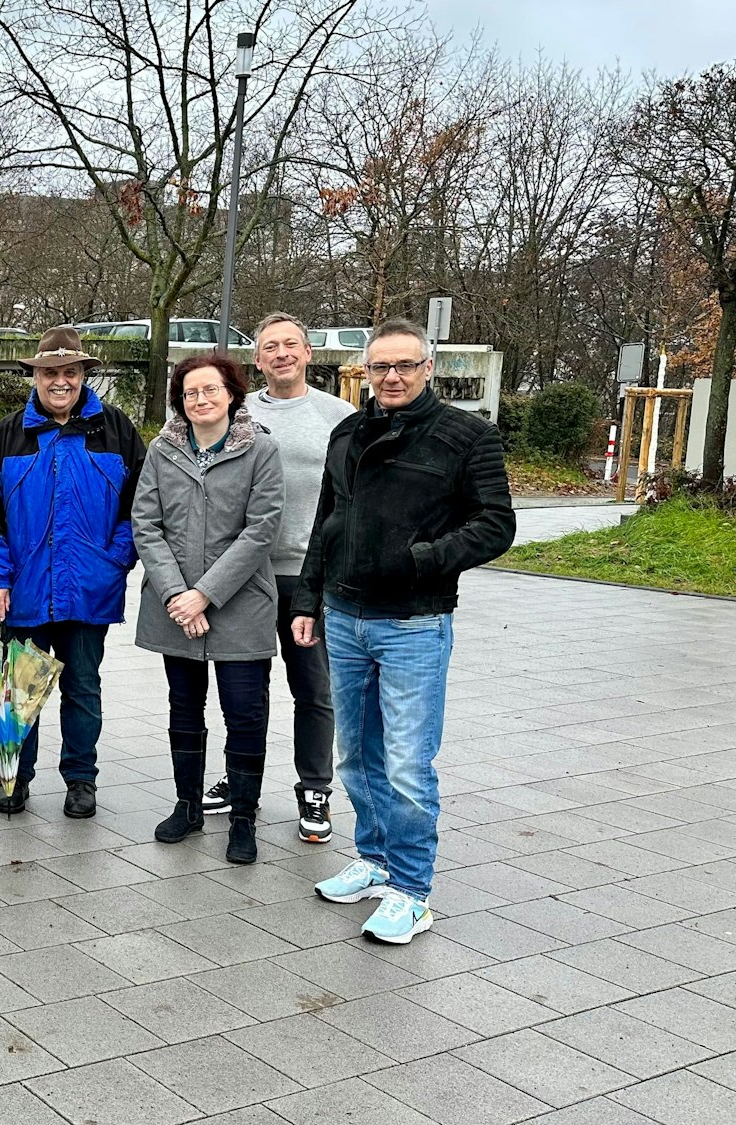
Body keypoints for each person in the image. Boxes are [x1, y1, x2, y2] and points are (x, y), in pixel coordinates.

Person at [293, 317, 515, 944]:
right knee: (356, 755)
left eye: (405, 365)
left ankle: (412, 892)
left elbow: (496, 524)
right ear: (366, 371)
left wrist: (423, 559)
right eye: (380, 366)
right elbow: (327, 521)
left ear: (428, 368)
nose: (392, 377)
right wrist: (308, 596)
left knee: (408, 765)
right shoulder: (348, 431)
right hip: (344, 616)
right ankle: (374, 860)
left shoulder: (467, 437)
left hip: (414, 621)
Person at [0, 326, 146, 819]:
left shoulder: (116, 429)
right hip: (24, 590)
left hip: (90, 587)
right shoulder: (6, 435)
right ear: (36, 376)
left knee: (83, 688)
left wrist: (116, 559)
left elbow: (140, 506)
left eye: (70, 371)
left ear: (84, 374)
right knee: (18, 692)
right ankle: (14, 777)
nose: (60, 381)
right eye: (50, 372)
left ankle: (81, 780)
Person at [132, 354, 284, 864]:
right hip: (175, 608)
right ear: (180, 400)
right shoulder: (163, 450)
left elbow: (261, 530)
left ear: (232, 393)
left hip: (241, 605)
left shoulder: (261, 449)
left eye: (210, 389)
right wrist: (178, 595)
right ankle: (188, 805)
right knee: (183, 707)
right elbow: (146, 525)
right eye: (190, 392)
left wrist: (205, 594)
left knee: (245, 712)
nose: (201, 399)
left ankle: (243, 817)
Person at [224, 312, 354, 843]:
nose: (281, 354)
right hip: (246, 575)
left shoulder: (339, 415)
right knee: (244, 689)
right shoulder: (237, 413)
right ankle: (240, 780)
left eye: (290, 345)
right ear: (257, 359)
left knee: (313, 689)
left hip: (310, 576)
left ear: (307, 353)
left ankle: (315, 788)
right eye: (270, 347)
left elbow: (354, 495)